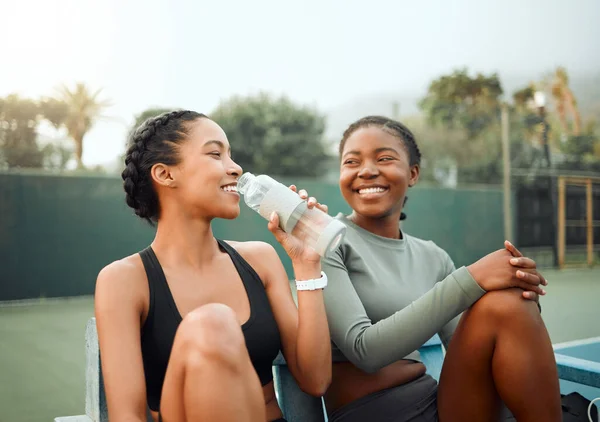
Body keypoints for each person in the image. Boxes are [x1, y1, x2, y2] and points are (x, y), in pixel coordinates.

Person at [313, 115, 562, 422]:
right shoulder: (326, 240)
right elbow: (365, 352)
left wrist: (518, 304)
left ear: (413, 173)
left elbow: (479, 348)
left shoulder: (433, 256)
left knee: (509, 305)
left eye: (385, 158)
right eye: (352, 162)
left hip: (439, 404)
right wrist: (471, 279)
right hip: (373, 412)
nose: (366, 171)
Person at [94, 110, 332, 422]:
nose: (235, 168)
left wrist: (306, 266)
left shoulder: (259, 260)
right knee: (212, 324)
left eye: (230, 155)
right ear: (165, 174)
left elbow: (315, 380)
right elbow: (128, 416)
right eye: (215, 154)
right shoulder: (124, 280)